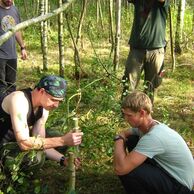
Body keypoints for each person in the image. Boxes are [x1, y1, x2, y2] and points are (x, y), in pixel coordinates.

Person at [113, 91, 194, 194]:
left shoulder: (155, 136)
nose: (126, 119)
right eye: (125, 114)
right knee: (133, 139)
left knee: (129, 171)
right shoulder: (147, 126)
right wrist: (122, 135)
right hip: (169, 173)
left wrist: (118, 139)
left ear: (142, 113)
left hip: (179, 186)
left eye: (129, 115)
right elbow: (128, 132)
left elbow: (120, 169)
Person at [0, 75, 83, 170]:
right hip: (3, 146)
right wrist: (62, 140)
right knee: (36, 158)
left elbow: (40, 143)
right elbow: (24, 144)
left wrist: (63, 159)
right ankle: (11, 178)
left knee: (56, 140)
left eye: (59, 101)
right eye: (53, 100)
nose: (56, 105)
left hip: (16, 142)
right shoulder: (19, 100)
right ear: (42, 91)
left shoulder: (43, 109)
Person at [122, 0, 169, 102]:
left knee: (150, 86)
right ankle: (126, 113)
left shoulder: (162, 4)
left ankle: (146, 113)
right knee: (129, 84)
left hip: (156, 51)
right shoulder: (139, 2)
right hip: (136, 50)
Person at [0, 0, 27, 94]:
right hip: (0, 56)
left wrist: (22, 47)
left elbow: (17, 30)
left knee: (11, 85)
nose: (10, 0)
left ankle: (10, 107)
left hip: (12, 54)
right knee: (1, 86)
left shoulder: (14, 10)